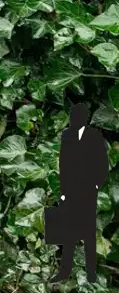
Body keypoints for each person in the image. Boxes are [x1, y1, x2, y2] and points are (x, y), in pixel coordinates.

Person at [47, 101, 108, 283]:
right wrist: (64, 191)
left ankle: (91, 273)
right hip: (71, 190)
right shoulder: (67, 135)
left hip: (88, 190)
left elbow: (103, 164)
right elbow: (64, 164)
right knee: (69, 232)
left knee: (88, 232)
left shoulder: (94, 136)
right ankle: (64, 271)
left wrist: (96, 185)